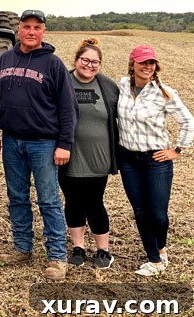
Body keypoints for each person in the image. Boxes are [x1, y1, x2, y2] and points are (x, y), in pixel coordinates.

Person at [0, 9, 77, 280]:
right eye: (27, 26)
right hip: (12, 142)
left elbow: (68, 108)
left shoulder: (53, 64)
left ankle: (58, 256)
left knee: (48, 200)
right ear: (19, 29)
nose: (31, 31)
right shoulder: (4, 60)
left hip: (44, 144)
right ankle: (22, 247)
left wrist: (64, 144)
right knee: (17, 198)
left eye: (37, 27)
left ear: (43, 32)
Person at [116, 45, 194, 276]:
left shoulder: (164, 93)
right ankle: (155, 260)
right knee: (140, 211)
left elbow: (189, 122)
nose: (147, 67)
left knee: (158, 214)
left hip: (155, 160)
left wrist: (177, 150)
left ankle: (160, 248)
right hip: (128, 159)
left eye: (151, 63)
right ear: (132, 64)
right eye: (142, 62)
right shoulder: (121, 86)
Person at [60, 38, 119, 269]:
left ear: (100, 65)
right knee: (73, 201)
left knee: (94, 202)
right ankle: (78, 247)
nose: (90, 65)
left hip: (98, 156)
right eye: (85, 60)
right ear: (76, 60)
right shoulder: (62, 81)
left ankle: (103, 250)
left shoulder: (108, 86)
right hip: (67, 154)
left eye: (95, 62)